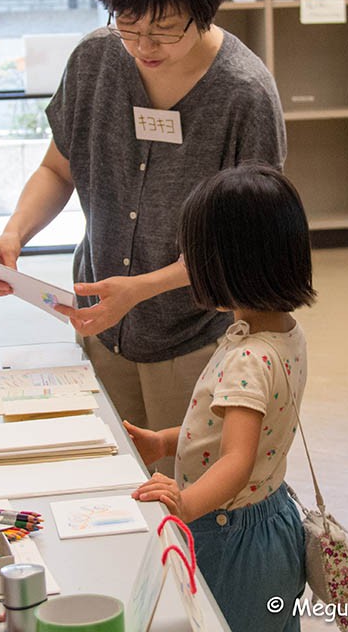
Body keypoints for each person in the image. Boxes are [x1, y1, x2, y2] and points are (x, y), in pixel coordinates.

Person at [0, 0, 286, 465]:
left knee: (185, 500)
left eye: (165, 28)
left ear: (204, 8)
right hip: (99, 328)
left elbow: (246, 246)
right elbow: (57, 169)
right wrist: (13, 235)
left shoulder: (244, 94)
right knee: (112, 484)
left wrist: (139, 289)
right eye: (127, 21)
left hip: (196, 336)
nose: (144, 43)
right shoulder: (96, 59)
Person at [126, 163, 314, 632]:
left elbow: (237, 459)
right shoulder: (281, 335)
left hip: (232, 534)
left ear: (227, 264)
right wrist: (165, 442)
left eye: (193, 256)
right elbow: (227, 428)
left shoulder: (248, 358)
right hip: (270, 522)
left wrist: (186, 504)